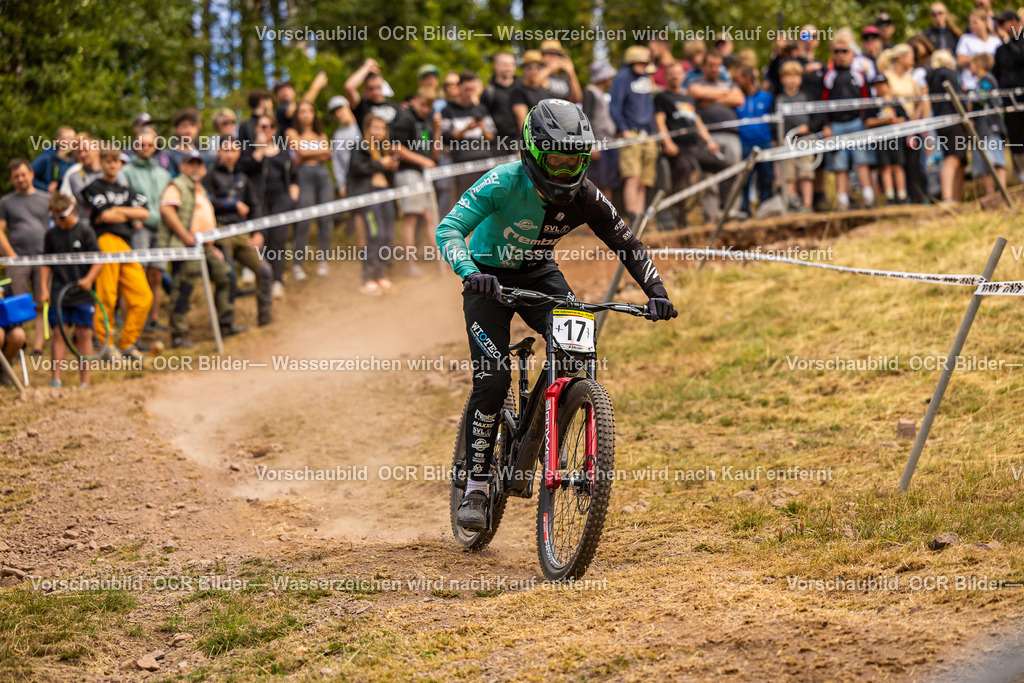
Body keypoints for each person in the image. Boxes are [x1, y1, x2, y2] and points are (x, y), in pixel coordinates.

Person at [435, 99, 676, 530]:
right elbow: (448, 229)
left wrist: (656, 291)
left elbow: (629, 245)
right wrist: (470, 272)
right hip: (486, 279)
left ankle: (554, 417)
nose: (566, 172)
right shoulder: (502, 182)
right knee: (492, 379)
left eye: (575, 161)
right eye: (557, 161)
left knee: (579, 341)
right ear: (531, 151)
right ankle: (475, 481)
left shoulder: (586, 195)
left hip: (538, 273)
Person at [159, 150, 238, 348]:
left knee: (226, 276)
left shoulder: (199, 188)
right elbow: (167, 210)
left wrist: (211, 246)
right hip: (185, 247)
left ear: (204, 169)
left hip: (204, 247)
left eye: (198, 164)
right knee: (183, 287)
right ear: (182, 167)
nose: (195, 168)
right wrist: (185, 236)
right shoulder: (177, 185)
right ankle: (179, 335)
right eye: (190, 164)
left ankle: (225, 324)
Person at [81, 149, 152, 360]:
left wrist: (119, 211)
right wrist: (127, 212)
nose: (113, 165)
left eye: (116, 162)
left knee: (143, 296)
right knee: (107, 296)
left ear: (121, 164)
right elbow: (104, 216)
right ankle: (106, 345)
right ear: (101, 162)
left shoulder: (127, 190)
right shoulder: (93, 188)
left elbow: (145, 213)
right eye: (108, 161)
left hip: (126, 244)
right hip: (105, 242)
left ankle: (127, 344)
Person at [654, 62, 737, 225]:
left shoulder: (689, 98)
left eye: (678, 72)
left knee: (727, 167)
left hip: (697, 146)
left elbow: (698, 123)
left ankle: (725, 210)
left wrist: (709, 141)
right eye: (671, 73)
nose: (675, 76)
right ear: (666, 76)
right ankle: (681, 219)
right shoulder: (662, 97)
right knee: (683, 171)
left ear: (683, 75)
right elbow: (660, 121)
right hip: (678, 148)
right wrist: (667, 142)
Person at [204, 137, 273, 327]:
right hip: (220, 233)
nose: (229, 154)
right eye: (225, 149)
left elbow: (255, 206)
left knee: (265, 270)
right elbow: (206, 201)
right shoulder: (210, 177)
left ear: (239, 153)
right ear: (219, 152)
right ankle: (225, 325)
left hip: (243, 234)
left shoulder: (243, 178)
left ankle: (265, 319)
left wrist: (259, 232)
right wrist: (231, 203)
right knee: (227, 276)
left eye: (234, 150)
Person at [41, 194, 102, 387]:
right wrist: (43, 288)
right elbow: (46, 264)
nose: (58, 221)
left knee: (84, 334)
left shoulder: (85, 231)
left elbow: (98, 260)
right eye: (54, 218)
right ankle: (56, 379)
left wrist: (89, 279)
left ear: (72, 211)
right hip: (60, 292)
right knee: (58, 333)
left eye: (61, 217)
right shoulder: (51, 235)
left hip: (82, 293)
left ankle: (85, 381)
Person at [121, 127, 172, 332]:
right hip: (138, 228)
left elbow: (168, 200)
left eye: (149, 145)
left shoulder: (164, 174)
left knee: (156, 275)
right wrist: (134, 222)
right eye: (141, 145)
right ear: (135, 146)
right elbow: (124, 196)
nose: (145, 148)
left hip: (161, 228)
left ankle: (153, 319)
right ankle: (134, 323)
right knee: (136, 274)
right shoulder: (126, 172)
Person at [0, 159, 51, 356]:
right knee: (17, 303)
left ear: (31, 174)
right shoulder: (6, 202)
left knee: (41, 302)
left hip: (44, 260)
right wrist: (12, 256)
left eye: (23, 174)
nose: (21, 179)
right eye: (16, 176)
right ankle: (18, 343)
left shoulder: (46, 198)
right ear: (12, 179)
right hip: (18, 259)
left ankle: (38, 347)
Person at [688, 50, 744, 220]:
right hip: (708, 136)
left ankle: (731, 213)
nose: (714, 69)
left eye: (717, 66)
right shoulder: (695, 82)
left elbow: (738, 99)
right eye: (711, 65)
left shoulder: (730, 83)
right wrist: (724, 94)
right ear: (704, 66)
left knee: (735, 172)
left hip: (732, 135)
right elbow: (696, 93)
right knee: (709, 178)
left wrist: (710, 97)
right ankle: (711, 217)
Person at [823, 37, 876, 210]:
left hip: (856, 123)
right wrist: (826, 124)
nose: (841, 55)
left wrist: (866, 119)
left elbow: (867, 99)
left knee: (862, 161)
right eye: (836, 51)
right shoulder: (829, 76)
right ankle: (843, 200)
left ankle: (869, 196)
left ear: (852, 53)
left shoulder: (858, 75)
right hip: (836, 125)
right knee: (840, 166)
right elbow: (823, 102)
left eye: (844, 51)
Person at [348, 113, 398, 295]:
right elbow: (357, 168)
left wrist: (390, 165)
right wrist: (380, 164)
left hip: (386, 196)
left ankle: (380, 275)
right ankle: (367, 278)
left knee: (386, 236)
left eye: (382, 128)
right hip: (369, 198)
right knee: (374, 236)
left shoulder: (385, 149)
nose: (379, 131)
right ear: (368, 129)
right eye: (375, 127)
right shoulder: (360, 147)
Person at [391, 90, 438, 276]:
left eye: (429, 106)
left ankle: (443, 261)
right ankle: (409, 265)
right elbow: (395, 147)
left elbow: (432, 154)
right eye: (423, 105)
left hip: (423, 174)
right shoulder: (405, 118)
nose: (426, 109)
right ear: (415, 101)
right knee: (410, 219)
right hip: (408, 173)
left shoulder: (427, 122)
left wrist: (438, 128)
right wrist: (422, 161)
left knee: (430, 218)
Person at [285, 100, 334, 279]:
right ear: (297, 115)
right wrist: (318, 150)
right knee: (303, 220)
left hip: (323, 175)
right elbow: (303, 152)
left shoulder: (321, 134)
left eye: (310, 111)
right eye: (302, 111)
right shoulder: (291, 133)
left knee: (325, 219)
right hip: (304, 176)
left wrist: (307, 151)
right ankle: (297, 265)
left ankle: (324, 261)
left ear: (314, 114)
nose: (306, 114)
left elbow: (328, 153)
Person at [610, 45, 657, 225]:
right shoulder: (622, 78)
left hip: (648, 135)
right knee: (633, 175)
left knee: (644, 179)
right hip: (631, 134)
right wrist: (623, 129)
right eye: (640, 62)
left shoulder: (646, 78)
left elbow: (649, 106)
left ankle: (640, 218)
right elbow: (615, 107)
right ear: (631, 62)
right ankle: (632, 214)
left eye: (645, 62)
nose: (643, 65)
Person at [253, 115, 298, 299]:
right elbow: (247, 168)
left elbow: (294, 176)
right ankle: (264, 280)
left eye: (270, 126)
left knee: (278, 240)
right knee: (261, 239)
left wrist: (292, 197)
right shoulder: (252, 152)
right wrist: (259, 149)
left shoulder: (284, 152)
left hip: (280, 200)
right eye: (263, 126)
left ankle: (278, 279)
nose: (267, 130)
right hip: (260, 201)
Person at [442, 71, 497, 200]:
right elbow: (445, 139)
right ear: (458, 87)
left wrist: (482, 128)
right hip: (461, 165)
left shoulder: (481, 109)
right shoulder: (448, 110)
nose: (469, 93)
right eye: (466, 89)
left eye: (472, 89)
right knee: (465, 202)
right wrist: (466, 129)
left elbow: (492, 137)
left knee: (488, 200)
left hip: (484, 163)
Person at [733, 65, 774, 217]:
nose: (736, 81)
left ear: (748, 78)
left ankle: (765, 209)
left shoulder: (767, 97)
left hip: (765, 143)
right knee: (744, 180)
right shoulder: (737, 98)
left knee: (766, 179)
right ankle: (745, 211)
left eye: (739, 78)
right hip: (744, 144)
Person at [774, 61, 815, 211]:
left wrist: (809, 127)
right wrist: (778, 138)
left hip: (805, 140)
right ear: (782, 79)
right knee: (788, 175)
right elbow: (774, 121)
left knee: (806, 173)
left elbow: (816, 116)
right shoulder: (778, 99)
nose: (792, 79)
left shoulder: (806, 96)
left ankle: (807, 205)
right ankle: (791, 205)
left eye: (796, 75)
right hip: (785, 142)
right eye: (788, 75)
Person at [927, 50, 967, 203]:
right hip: (954, 119)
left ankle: (954, 198)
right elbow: (957, 97)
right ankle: (949, 197)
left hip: (941, 122)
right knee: (953, 158)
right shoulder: (947, 73)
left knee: (958, 160)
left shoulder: (931, 77)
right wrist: (965, 115)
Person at [864, 74, 910, 204]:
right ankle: (890, 196)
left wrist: (894, 121)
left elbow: (905, 118)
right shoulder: (873, 104)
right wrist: (883, 121)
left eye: (883, 84)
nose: (881, 88)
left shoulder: (894, 102)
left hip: (896, 138)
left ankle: (902, 195)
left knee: (898, 166)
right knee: (885, 167)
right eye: (878, 86)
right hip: (881, 139)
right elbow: (868, 122)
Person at [967, 54, 1008, 196]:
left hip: (991, 126)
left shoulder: (987, 80)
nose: (969, 68)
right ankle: (991, 196)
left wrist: (969, 96)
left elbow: (981, 98)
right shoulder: (980, 83)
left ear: (978, 64)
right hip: (980, 128)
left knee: (995, 161)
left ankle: (1002, 193)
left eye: (971, 65)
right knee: (984, 165)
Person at [582, 60, 620, 198]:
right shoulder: (590, 92)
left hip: (609, 141)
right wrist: (591, 146)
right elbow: (586, 119)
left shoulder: (602, 93)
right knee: (599, 182)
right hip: (598, 143)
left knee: (608, 181)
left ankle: (608, 214)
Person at [993, 10, 1024, 182]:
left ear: (1013, 21)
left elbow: (1021, 57)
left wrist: (1007, 40)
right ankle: (1021, 175)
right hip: (1009, 102)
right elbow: (997, 74)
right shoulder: (1000, 50)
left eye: (1002, 22)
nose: (1000, 27)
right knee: (1016, 139)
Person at [59, 133, 104, 227]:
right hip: (88, 224)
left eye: (86, 150)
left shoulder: (107, 171)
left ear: (97, 150)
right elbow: (86, 199)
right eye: (79, 152)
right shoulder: (75, 175)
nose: (83, 155)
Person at [481, 51, 520, 150]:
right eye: (504, 64)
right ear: (495, 66)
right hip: (498, 146)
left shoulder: (522, 89)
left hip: (523, 142)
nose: (509, 67)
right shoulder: (488, 92)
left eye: (512, 64)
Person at [957, 9, 1003, 91]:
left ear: (984, 22)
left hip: (990, 83)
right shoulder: (966, 38)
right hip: (970, 84)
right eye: (970, 22)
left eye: (975, 22)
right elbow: (960, 61)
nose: (972, 25)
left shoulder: (996, 41)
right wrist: (982, 59)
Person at [345, 59, 399, 127]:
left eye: (378, 87)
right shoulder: (362, 107)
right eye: (371, 89)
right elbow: (349, 87)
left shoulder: (396, 107)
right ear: (365, 90)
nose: (375, 92)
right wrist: (367, 67)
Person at [275, 72, 329, 137]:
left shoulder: (298, 105)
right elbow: (295, 110)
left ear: (294, 92)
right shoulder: (280, 110)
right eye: (281, 89)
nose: (285, 91)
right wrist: (316, 86)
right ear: (276, 97)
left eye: (288, 87)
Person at [511, 51, 555, 129]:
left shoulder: (544, 91)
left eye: (538, 67)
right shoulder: (518, 91)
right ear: (523, 69)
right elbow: (523, 125)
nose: (533, 71)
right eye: (529, 68)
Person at [159, 107, 203, 178]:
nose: (188, 131)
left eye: (192, 125)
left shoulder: (204, 157)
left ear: (198, 128)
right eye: (184, 126)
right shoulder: (168, 157)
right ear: (176, 129)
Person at [31, 126, 77, 193]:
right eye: (69, 138)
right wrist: (46, 187)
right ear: (58, 140)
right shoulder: (47, 157)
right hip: (47, 198)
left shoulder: (76, 161)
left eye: (74, 138)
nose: (73, 141)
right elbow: (28, 176)